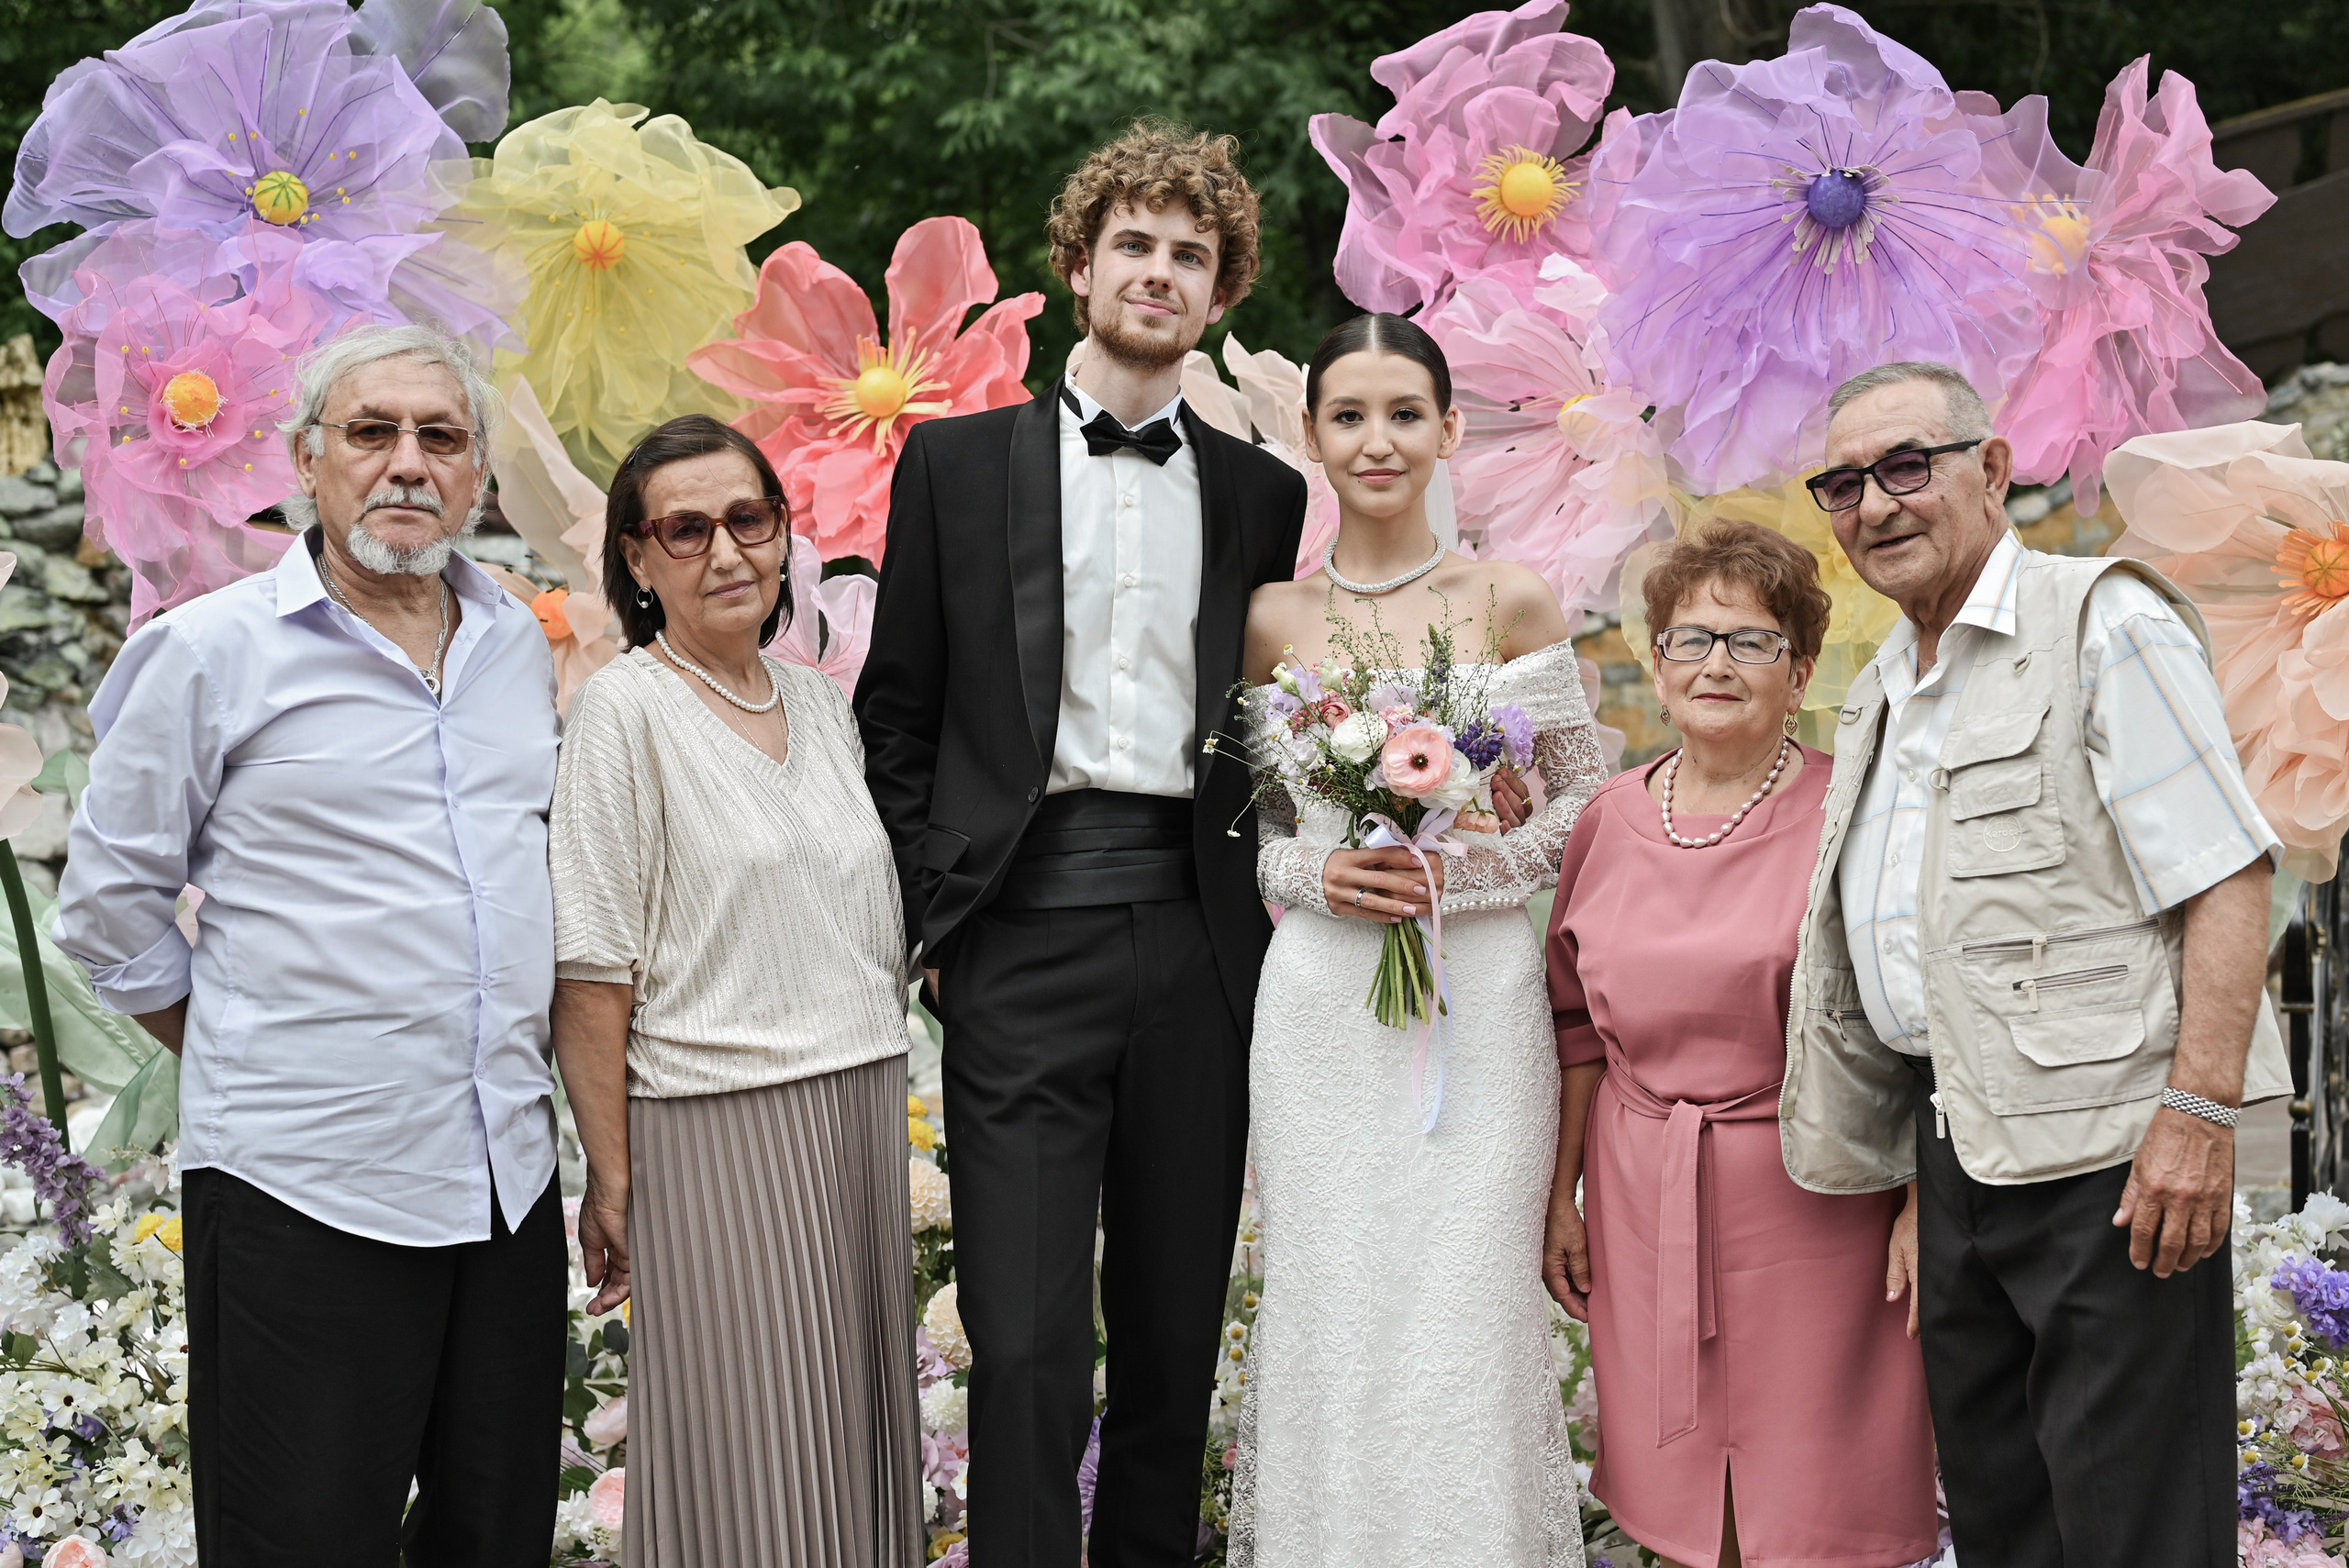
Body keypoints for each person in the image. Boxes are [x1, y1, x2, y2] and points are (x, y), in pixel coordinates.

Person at [855, 121, 1307, 1567]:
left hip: (1201, 938)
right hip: (1020, 928)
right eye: (1135, 244)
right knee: (1026, 1341)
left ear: (1221, 291)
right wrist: (941, 920)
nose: (1160, 272)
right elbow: (897, 713)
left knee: (1174, 1339)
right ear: (1080, 263)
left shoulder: (1265, 496)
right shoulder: (953, 464)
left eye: (1191, 254)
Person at [54, 324, 567, 1566]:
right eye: (371, 431)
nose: (408, 462)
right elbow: (108, 906)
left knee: (494, 1536)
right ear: (306, 460)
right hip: (306, 1181)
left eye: (440, 437)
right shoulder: (210, 650)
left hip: (503, 1175)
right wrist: (241, 1040)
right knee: (302, 1540)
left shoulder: (512, 641)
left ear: (478, 474)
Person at [1778, 361, 2292, 1566]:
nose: (1876, 504)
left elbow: (2224, 874)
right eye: (1844, 484)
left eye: (1908, 466)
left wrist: (2197, 1112)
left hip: (2113, 1160)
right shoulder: (1882, 686)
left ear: (1994, 469)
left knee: (2134, 1528)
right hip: (1953, 1151)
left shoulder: (2100, 621)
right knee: (2007, 1522)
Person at [1230, 313, 1606, 1568]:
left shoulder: (1510, 598)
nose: (1377, 440)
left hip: (1479, 1003)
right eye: (1349, 415)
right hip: (1322, 1014)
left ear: (1449, 430)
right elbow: (1259, 836)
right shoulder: (1272, 617)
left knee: (1464, 1312)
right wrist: (1324, 874)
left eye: (1404, 414)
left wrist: (1462, 868)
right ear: (1311, 434)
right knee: (1335, 1306)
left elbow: (1581, 810)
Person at [549, 415, 921, 1567]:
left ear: (782, 534)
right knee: (750, 1451)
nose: (725, 552)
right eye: (686, 529)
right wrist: (613, 1176)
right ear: (637, 557)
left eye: (748, 520)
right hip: (717, 1126)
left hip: (859, 1108)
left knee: (850, 1441)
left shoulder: (816, 702)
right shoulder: (622, 709)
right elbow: (591, 971)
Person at [1540, 520, 1938, 1568]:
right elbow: (1573, 1023)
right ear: (1656, 662)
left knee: (1816, 1508)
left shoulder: (1854, 811)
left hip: (1818, 1198)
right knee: (1677, 1504)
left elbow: (1923, 1015)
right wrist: (1560, 1193)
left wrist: (1922, 1197)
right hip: (1641, 1194)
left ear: (1799, 672)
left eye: (1752, 640)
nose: (1716, 662)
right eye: (1692, 638)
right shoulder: (1605, 819)